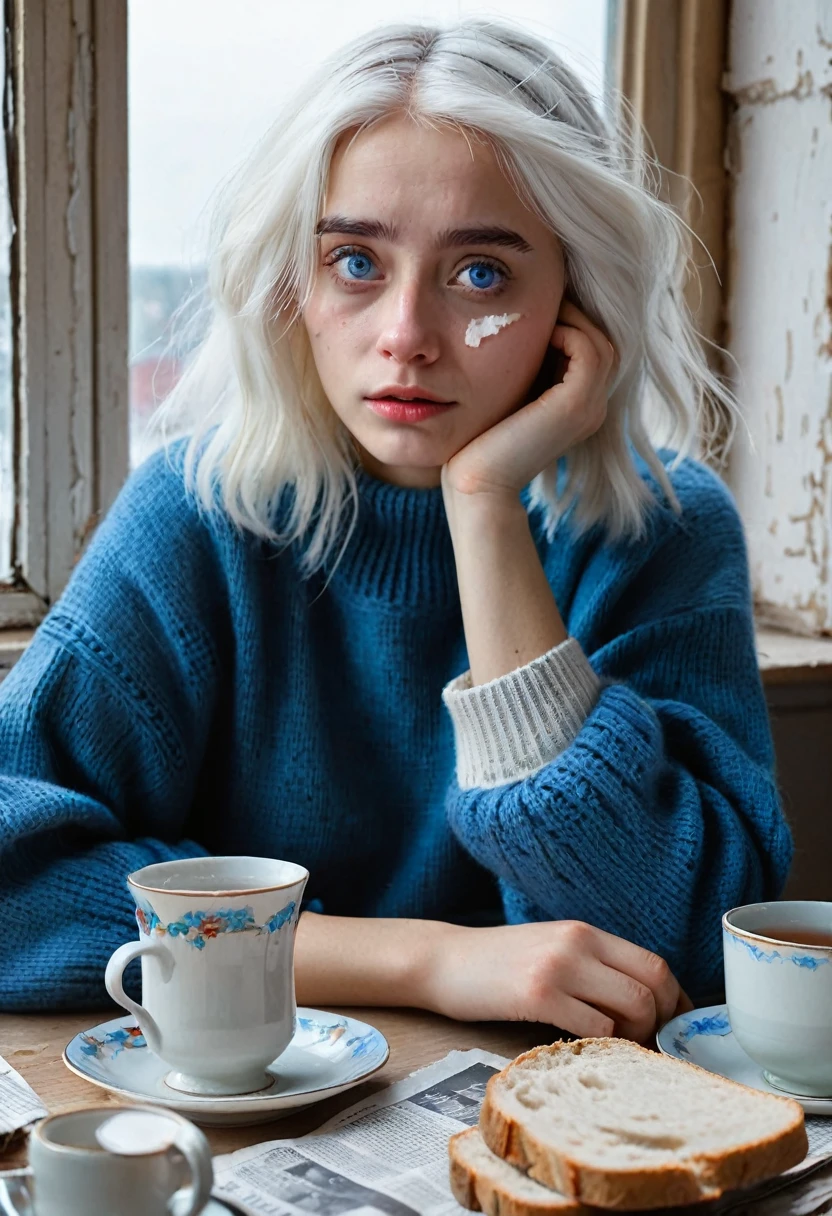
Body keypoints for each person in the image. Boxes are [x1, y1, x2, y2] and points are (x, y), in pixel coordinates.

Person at [0, 20, 791, 1041]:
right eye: (356, 260)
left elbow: (682, 947)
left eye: (480, 276)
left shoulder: (663, 533)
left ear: (574, 298)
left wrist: (484, 506)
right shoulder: (200, 517)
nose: (406, 336)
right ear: (297, 283)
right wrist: (427, 959)